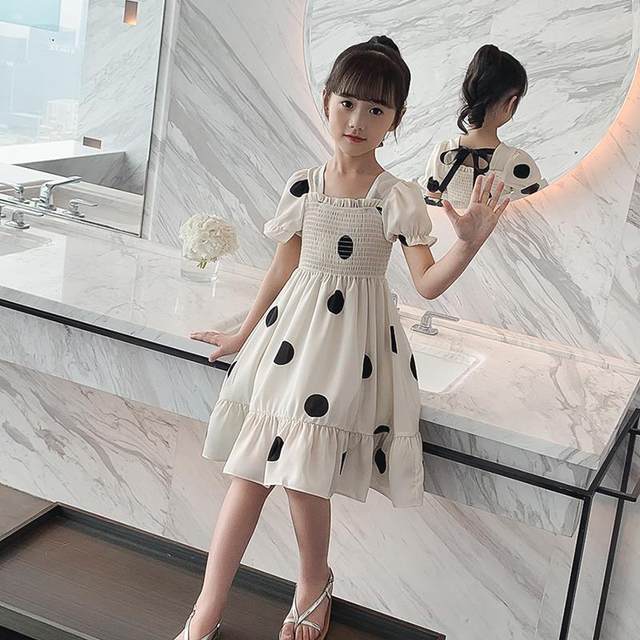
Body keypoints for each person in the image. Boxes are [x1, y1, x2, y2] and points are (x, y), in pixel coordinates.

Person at [181, 35, 509, 640]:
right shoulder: (303, 184)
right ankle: (205, 612)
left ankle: (312, 585)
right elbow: (282, 267)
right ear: (327, 100)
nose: (358, 120)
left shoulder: (397, 195)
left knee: (304, 473)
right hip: (289, 343)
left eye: (376, 109)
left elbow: (426, 284)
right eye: (348, 103)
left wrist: (467, 244)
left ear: (395, 120)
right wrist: (243, 333)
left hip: (348, 354)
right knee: (247, 473)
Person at [420, 43, 546, 209]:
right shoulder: (516, 162)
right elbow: (537, 215)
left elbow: (431, 211)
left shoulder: (443, 152)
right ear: (511, 103)